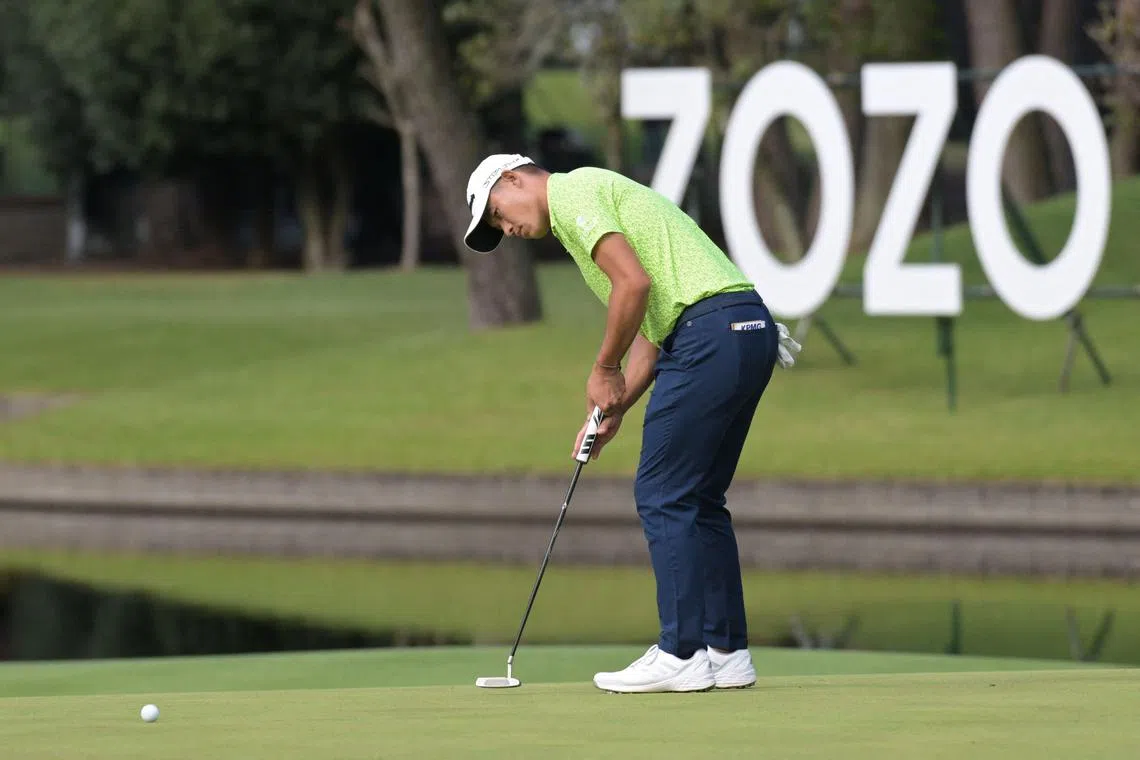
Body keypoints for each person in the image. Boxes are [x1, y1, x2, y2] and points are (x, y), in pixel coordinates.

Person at [462, 154, 800, 694]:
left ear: (514, 179)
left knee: (663, 491)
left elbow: (633, 287)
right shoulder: (588, 208)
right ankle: (725, 651)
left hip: (709, 333)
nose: (509, 230)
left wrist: (602, 368)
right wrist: (614, 407)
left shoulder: (571, 195)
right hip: (745, 328)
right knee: (699, 497)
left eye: (499, 214)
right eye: (498, 229)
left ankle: (681, 652)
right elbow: (651, 323)